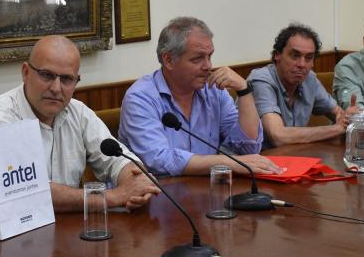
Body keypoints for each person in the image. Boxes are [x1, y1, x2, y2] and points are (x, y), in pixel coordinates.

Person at [0, 35, 160, 212]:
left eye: (67, 79)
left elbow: (119, 160)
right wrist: (110, 197)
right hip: (3, 239)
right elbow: (27, 193)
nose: (56, 88)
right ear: (25, 73)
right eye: (47, 75)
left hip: (66, 232)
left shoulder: (79, 112)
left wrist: (135, 183)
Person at [119, 17, 283, 176]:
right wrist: (231, 163)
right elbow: (159, 160)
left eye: (209, 56)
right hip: (157, 194)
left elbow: (248, 149)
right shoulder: (140, 97)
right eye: (198, 58)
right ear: (168, 60)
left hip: (205, 190)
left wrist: (244, 90)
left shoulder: (213, 89)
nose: (208, 66)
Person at [248, 23, 358, 147]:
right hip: (253, 160)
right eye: (295, 55)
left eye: (309, 58)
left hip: (291, 158)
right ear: (277, 55)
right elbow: (278, 136)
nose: (302, 64)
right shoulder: (261, 80)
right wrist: (336, 129)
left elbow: (337, 114)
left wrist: (346, 117)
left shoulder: (309, 79)